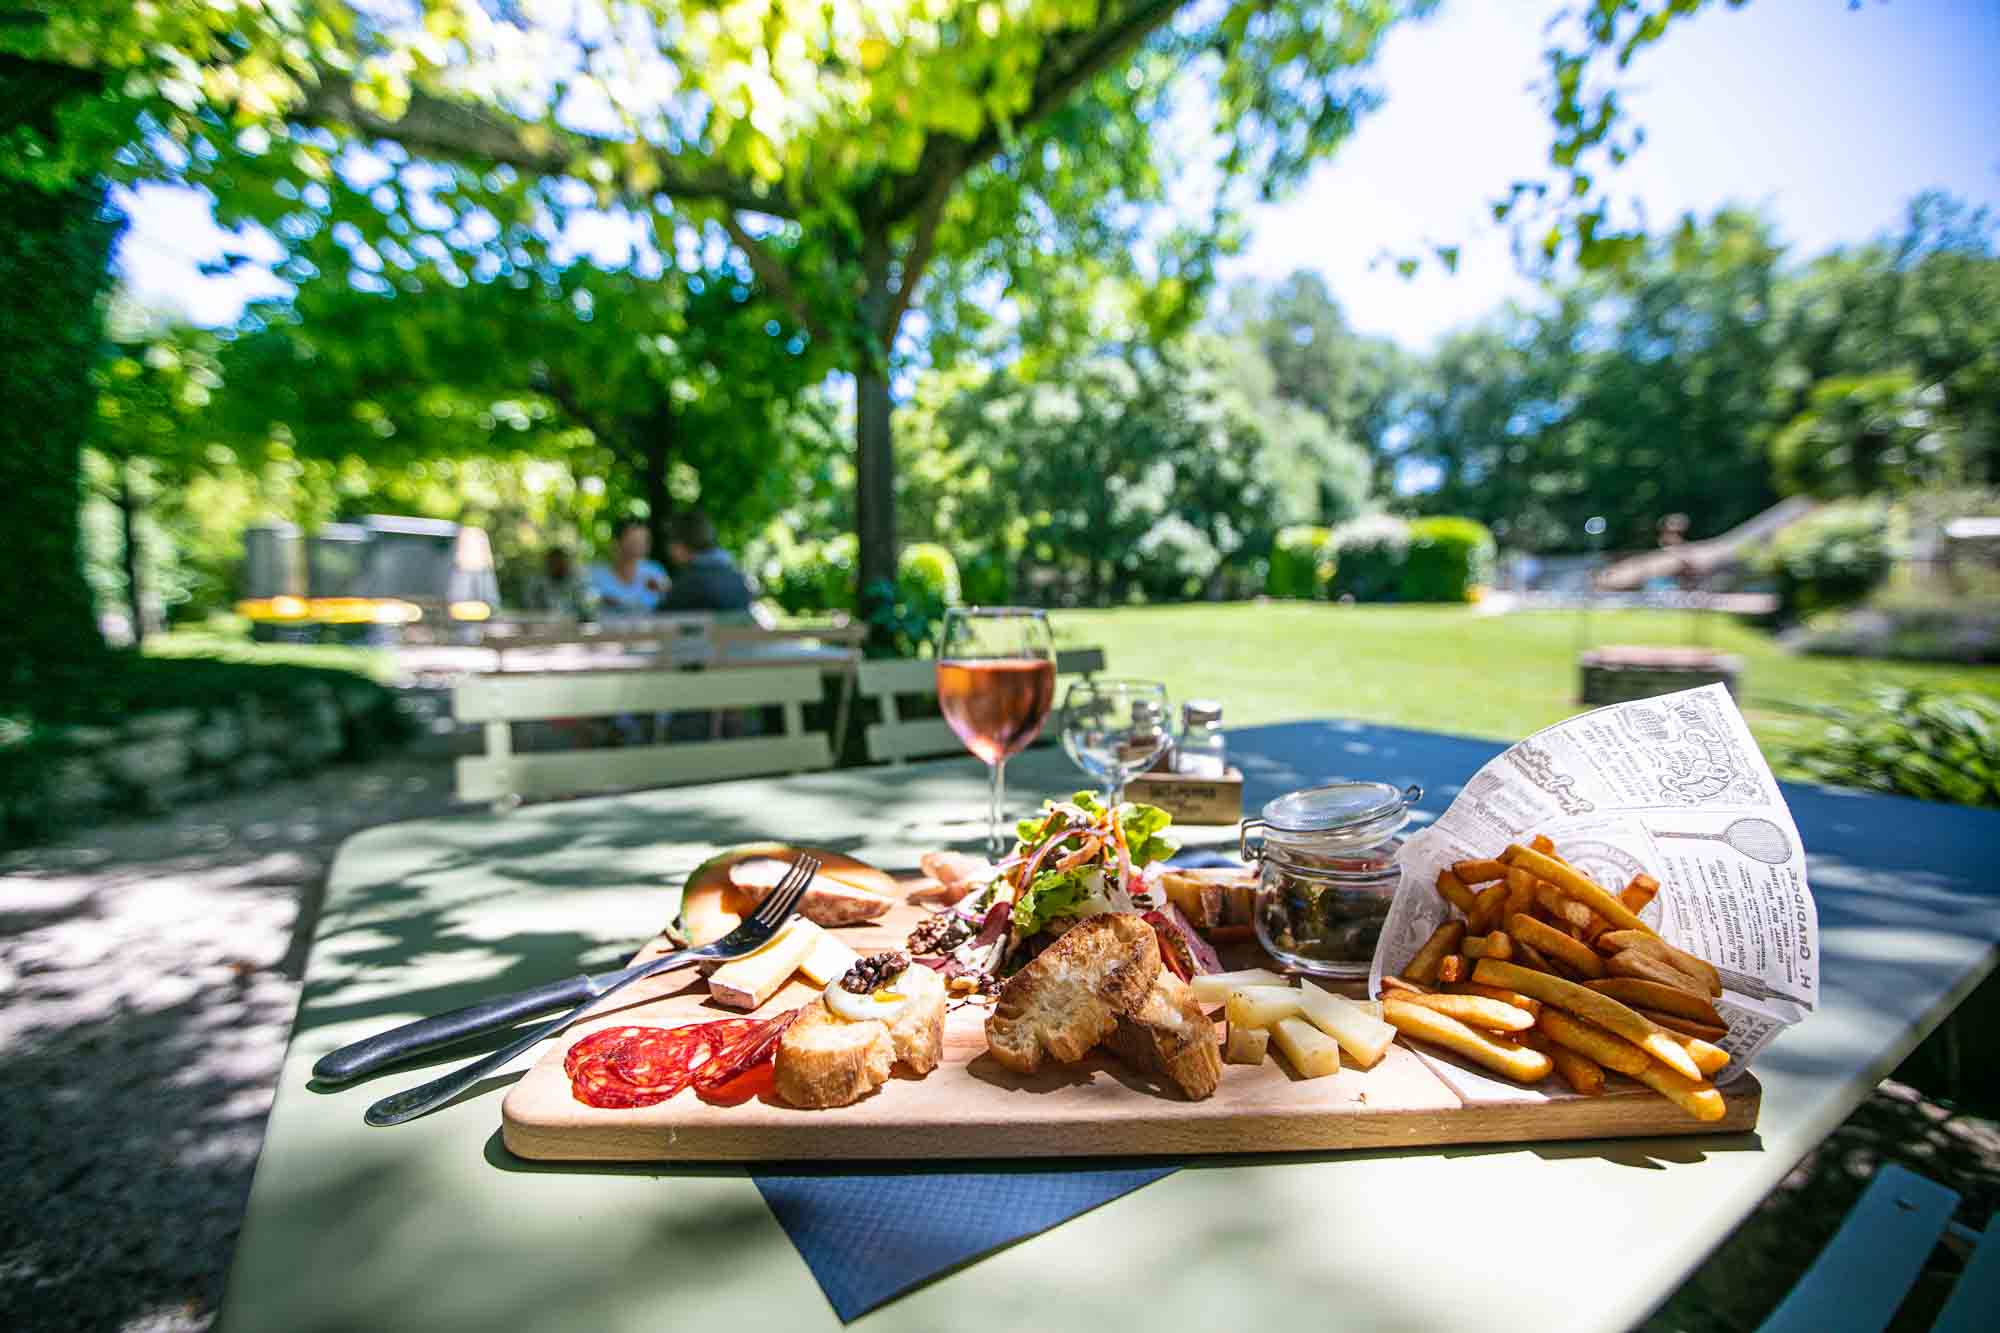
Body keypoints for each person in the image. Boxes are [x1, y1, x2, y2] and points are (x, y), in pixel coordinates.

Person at [660, 510, 757, 615]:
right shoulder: (738, 579)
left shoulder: (690, 584)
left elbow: (658, 619)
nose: (669, 550)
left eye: (670, 541)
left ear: (680, 545)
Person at [589, 517, 670, 616]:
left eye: (644, 541)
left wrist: (664, 589)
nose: (640, 546)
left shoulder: (655, 571)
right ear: (616, 543)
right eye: (634, 541)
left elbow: (671, 599)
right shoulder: (596, 575)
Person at [520, 547, 591, 618]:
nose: (557, 565)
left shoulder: (575, 581)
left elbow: (582, 606)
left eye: (560, 562)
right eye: (554, 562)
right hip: (543, 620)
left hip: (571, 620)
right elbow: (530, 604)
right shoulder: (538, 582)